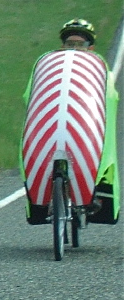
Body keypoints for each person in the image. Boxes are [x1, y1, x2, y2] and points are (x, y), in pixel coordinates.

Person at [21, 19, 119, 225]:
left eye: (80, 44)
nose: (74, 48)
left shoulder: (100, 70)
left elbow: (109, 97)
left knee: (98, 157)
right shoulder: (51, 66)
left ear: (90, 47)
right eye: (70, 44)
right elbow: (30, 95)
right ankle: (45, 197)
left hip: (86, 127)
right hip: (54, 125)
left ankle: (94, 191)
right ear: (62, 46)